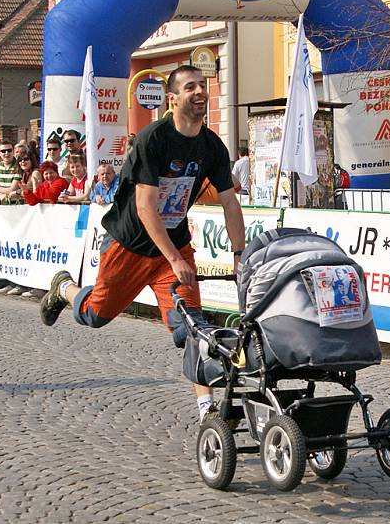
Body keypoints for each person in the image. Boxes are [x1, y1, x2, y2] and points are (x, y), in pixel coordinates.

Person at [40, 64, 246, 423]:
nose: (199, 92)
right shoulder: (154, 138)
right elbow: (145, 206)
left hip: (174, 249)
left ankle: (207, 410)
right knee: (95, 316)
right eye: (189, 87)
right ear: (172, 98)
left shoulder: (211, 145)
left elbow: (230, 202)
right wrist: (175, 258)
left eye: (203, 86)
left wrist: (239, 255)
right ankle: (65, 289)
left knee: (192, 328)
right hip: (130, 245)